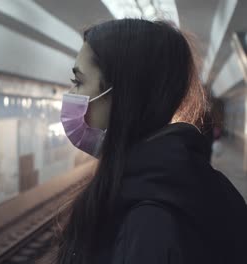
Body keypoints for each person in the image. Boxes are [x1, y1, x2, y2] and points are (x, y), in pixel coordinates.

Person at [54, 19, 247, 263]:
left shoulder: (149, 222)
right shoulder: (194, 183)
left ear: (123, 94)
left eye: (79, 82)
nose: (70, 95)